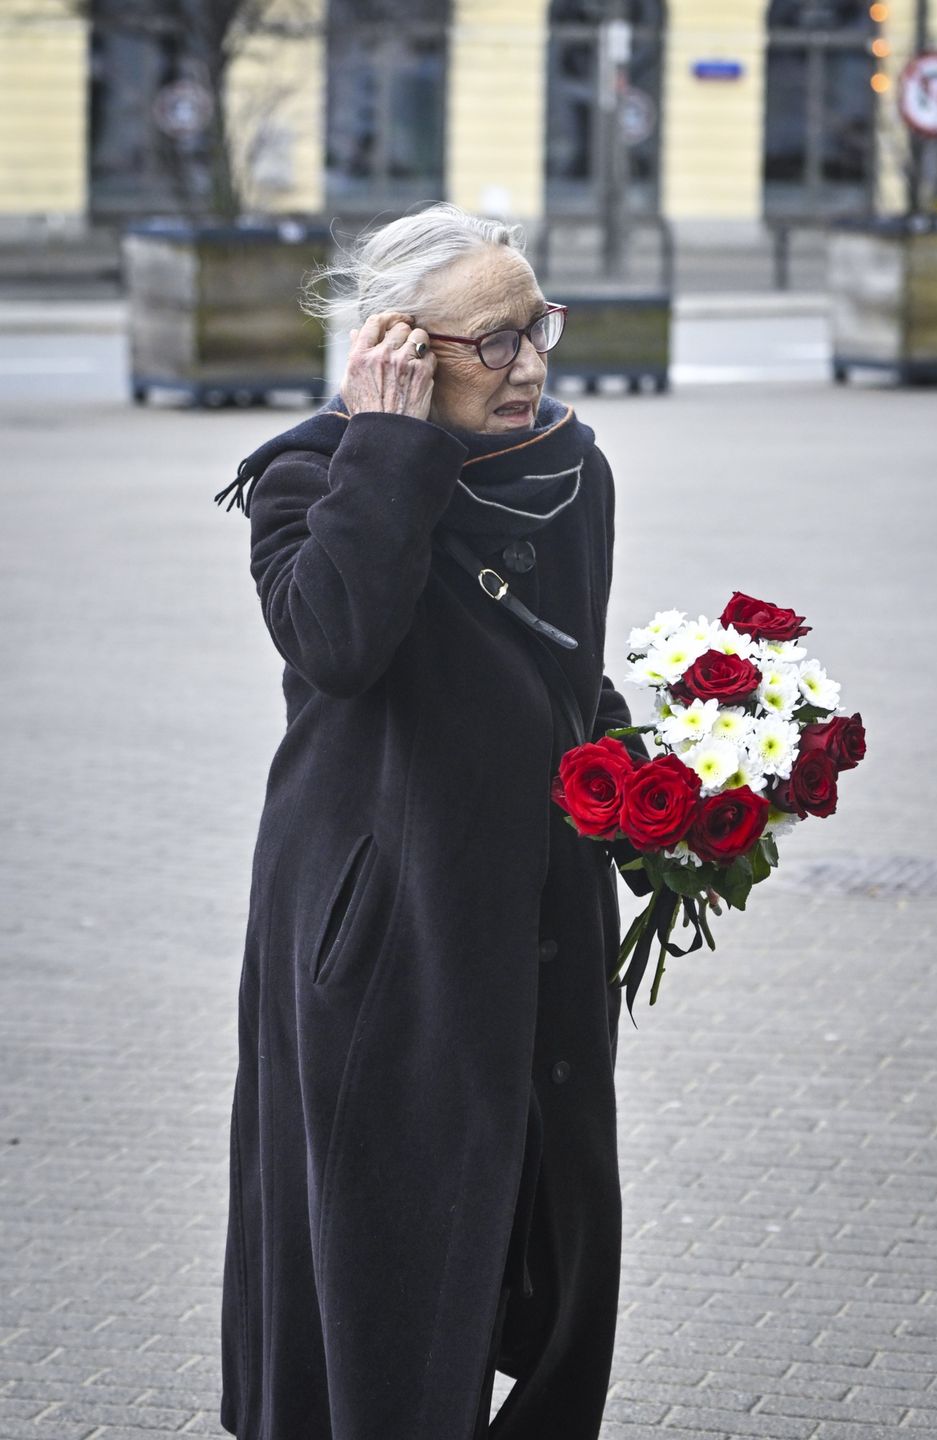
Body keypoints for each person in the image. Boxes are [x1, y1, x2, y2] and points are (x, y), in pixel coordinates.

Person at [213, 201, 639, 1440]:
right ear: (396, 349)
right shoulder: (309, 476)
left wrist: (665, 785)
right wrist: (390, 449)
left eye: (535, 327)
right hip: (378, 917)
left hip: (536, 895)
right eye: (489, 343)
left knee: (553, 1218)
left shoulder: (566, 466)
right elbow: (335, 643)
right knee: (383, 1238)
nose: (529, 367)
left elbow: (564, 668)